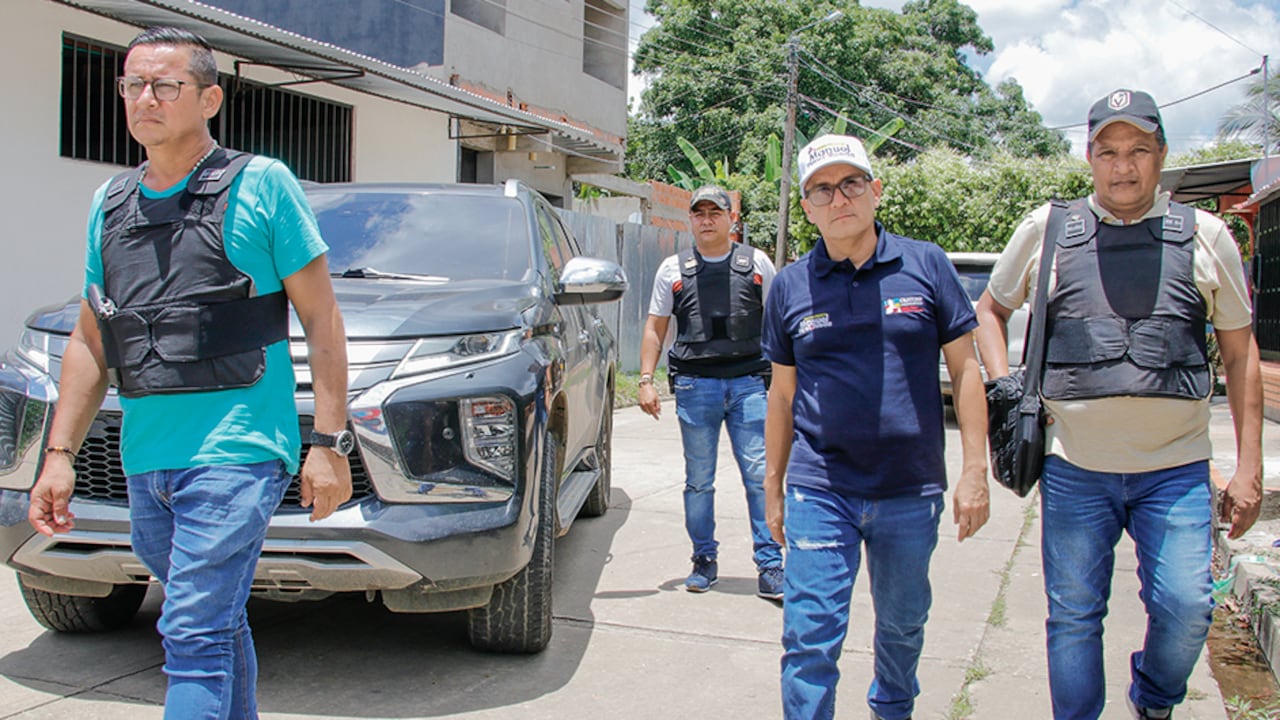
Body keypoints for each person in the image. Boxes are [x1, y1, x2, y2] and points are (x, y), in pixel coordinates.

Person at [26, 27, 353, 720]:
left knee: (191, 631)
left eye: (165, 85)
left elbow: (323, 320)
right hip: (148, 457)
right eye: (132, 85)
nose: (145, 98)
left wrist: (328, 444)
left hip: (237, 451)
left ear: (209, 99)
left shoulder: (262, 184)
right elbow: (92, 338)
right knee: (216, 623)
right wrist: (59, 455)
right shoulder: (110, 202)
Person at [974, 89, 1263, 720]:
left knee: (1187, 608)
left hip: (1176, 470)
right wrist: (1005, 388)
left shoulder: (1208, 236)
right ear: (1089, 157)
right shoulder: (1047, 230)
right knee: (1074, 616)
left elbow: (1241, 356)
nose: (1123, 166)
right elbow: (990, 311)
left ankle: (1153, 700)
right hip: (1076, 470)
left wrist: (1249, 469)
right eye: (1108, 152)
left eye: (1138, 150)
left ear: (1162, 154)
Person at [762, 134, 990, 720]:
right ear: (806, 207)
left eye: (851, 183)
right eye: (822, 190)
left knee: (902, 627)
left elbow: (966, 369)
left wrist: (975, 470)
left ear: (876, 190)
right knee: (809, 637)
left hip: (909, 488)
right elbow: (782, 395)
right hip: (821, 487)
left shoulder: (927, 264)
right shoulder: (789, 286)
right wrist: (773, 487)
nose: (839, 199)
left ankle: (893, 709)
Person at [637, 184, 785, 599]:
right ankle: (704, 560)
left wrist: (787, 383)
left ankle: (771, 565)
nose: (706, 220)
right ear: (690, 220)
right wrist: (645, 380)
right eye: (699, 213)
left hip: (750, 384)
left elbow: (778, 324)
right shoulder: (672, 269)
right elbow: (655, 328)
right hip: (695, 386)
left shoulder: (757, 263)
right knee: (699, 481)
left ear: (731, 219)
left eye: (715, 213)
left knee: (758, 476)